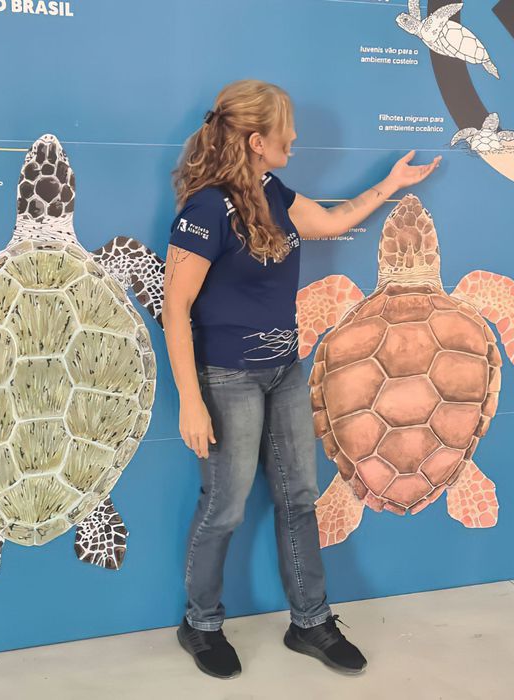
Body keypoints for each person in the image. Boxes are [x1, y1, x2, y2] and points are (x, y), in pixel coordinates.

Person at [163, 79, 440, 679]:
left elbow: (332, 222)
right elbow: (174, 308)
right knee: (226, 506)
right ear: (256, 140)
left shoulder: (273, 191)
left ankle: (310, 622)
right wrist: (190, 400)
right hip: (228, 378)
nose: (295, 137)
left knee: (298, 499)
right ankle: (201, 625)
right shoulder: (205, 209)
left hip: (286, 372)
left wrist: (390, 186)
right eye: (285, 129)